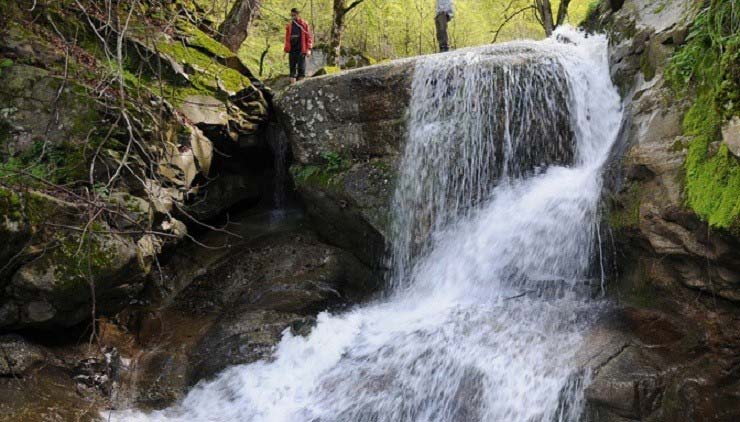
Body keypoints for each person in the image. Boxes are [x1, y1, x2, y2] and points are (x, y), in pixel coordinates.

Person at [284, 8, 313, 84]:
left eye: (294, 15)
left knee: (301, 69)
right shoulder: (289, 26)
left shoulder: (304, 24)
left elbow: (309, 36)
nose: (293, 16)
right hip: (292, 50)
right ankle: (292, 87)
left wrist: (309, 49)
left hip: (301, 50)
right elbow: (287, 38)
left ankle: (300, 87)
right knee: (292, 70)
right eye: (292, 15)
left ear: (298, 14)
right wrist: (286, 49)